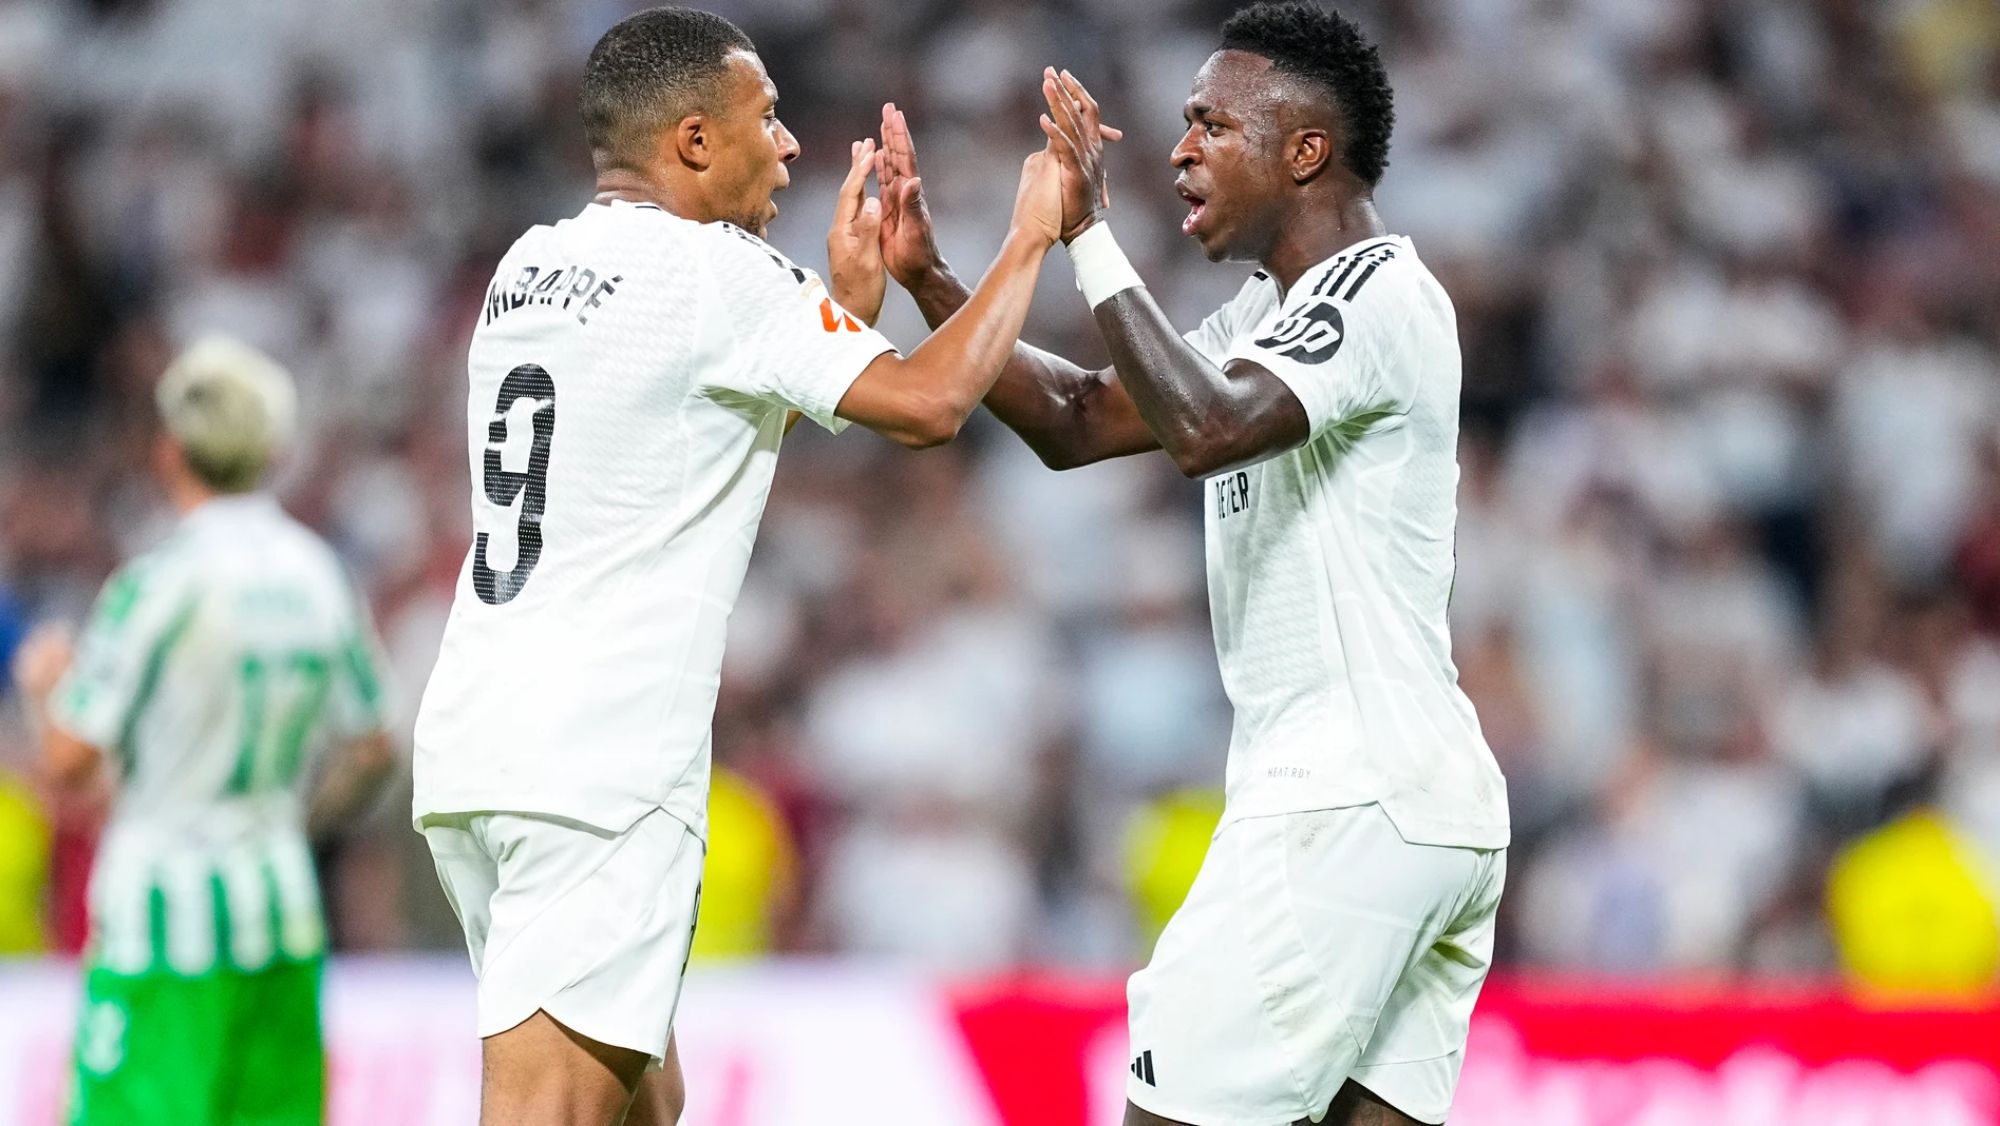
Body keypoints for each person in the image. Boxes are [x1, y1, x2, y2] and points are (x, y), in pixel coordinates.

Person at [408, 7, 1064, 1124]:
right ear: (696, 141)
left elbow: (682, 440)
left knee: (643, 1099)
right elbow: (930, 402)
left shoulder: (526, 267)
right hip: (599, 767)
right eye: (768, 116)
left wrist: (836, 312)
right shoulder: (716, 273)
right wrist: (1032, 236)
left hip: (480, 745)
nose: (794, 144)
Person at [875, 3, 1509, 1123]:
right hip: (1413, 804)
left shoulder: (1375, 292)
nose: (1176, 151)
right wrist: (933, 281)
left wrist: (1084, 236)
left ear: (1303, 150)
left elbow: (1206, 428)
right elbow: (1077, 419)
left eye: (1210, 124)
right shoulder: (1270, 314)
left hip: (1344, 795)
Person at [10, 335, 397, 1126]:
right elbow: (375, 745)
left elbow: (68, 762)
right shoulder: (317, 574)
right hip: (281, 908)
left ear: (169, 449)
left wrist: (44, 688)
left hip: (163, 924)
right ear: (273, 450)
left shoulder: (158, 584)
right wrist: (299, 823)